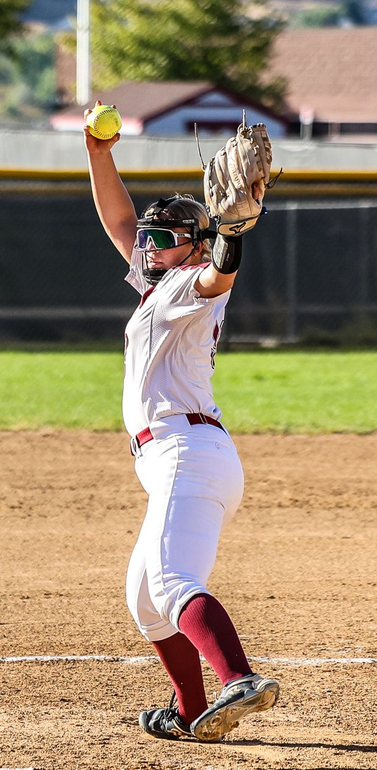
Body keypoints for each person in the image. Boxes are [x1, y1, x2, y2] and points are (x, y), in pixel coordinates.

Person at [84, 101, 279, 743]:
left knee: (169, 582)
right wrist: (99, 152)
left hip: (185, 452)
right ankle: (190, 709)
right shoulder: (159, 283)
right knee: (144, 599)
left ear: (191, 247)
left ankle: (238, 678)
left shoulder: (190, 280)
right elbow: (117, 220)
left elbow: (219, 275)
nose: (147, 246)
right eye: (149, 239)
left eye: (163, 239)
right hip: (188, 454)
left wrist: (230, 236)